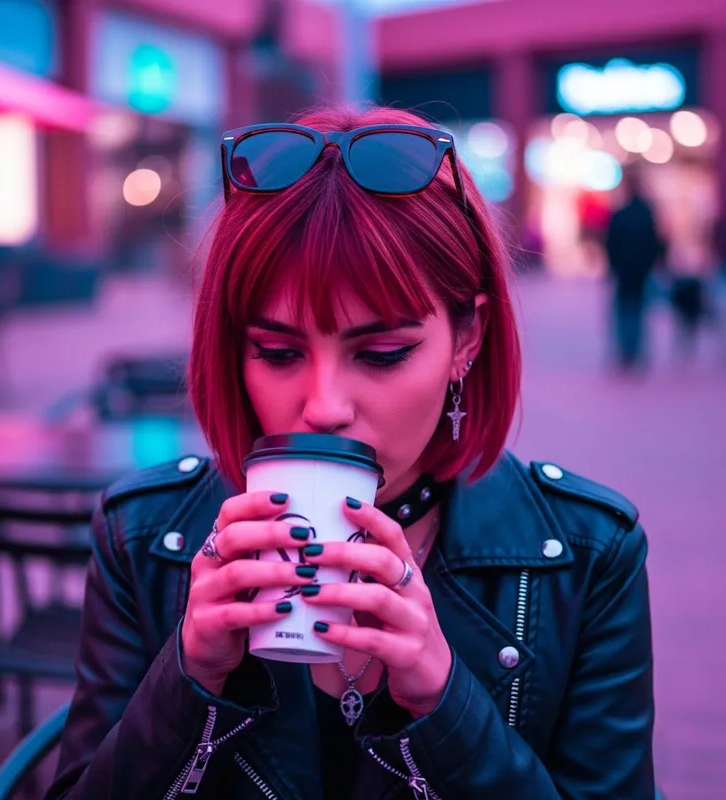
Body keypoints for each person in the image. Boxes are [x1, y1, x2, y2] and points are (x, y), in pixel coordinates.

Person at [46, 106, 655, 799]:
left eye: (382, 353)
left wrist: (444, 704)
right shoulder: (145, 538)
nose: (325, 403)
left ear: (467, 339)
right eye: (277, 351)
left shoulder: (587, 555)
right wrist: (187, 680)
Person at [605, 169, 664, 370]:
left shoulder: (620, 214)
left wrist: (612, 266)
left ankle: (626, 352)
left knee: (624, 310)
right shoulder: (647, 212)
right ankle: (635, 352)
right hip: (640, 270)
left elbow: (610, 243)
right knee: (638, 310)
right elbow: (655, 242)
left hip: (623, 270)